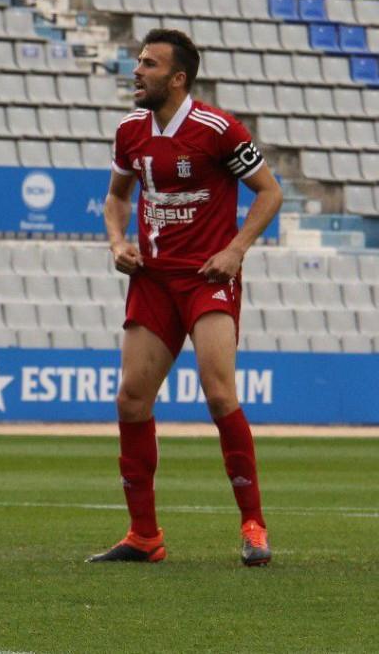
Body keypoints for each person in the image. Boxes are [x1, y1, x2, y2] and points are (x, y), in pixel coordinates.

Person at [88, 29, 282, 567]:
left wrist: (237, 249)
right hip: (152, 279)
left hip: (206, 278)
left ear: (177, 78)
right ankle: (144, 536)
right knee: (130, 399)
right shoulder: (130, 131)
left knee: (219, 395)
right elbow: (116, 198)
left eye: (148, 64)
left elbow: (271, 191)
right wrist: (117, 241)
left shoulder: (218, 129)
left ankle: (254, 525)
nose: (137, 71)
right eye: (138, 62)